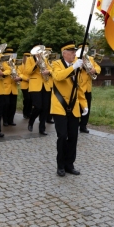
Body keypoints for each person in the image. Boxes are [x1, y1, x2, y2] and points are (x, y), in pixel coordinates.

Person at [50, 40, 87, 177]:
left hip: (74, 107)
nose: (74, 54)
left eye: (74, 52)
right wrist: (73, 68)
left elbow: (80, 87)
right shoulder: (56, 64)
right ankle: (60, 165)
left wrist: (84, 104)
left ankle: (69, 164)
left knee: (73, 137)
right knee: (62, 136)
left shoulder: (76, 65)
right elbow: (58, 77)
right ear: (64, 53)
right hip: (60, 106)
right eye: (71, 52)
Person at [24, 44, 53, 135]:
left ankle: (42, 128)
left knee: (45, 108)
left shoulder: (45, 59)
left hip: (45, 85)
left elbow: (52, 69)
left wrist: (48, 71)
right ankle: (31, 121)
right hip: (35, 86)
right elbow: (27, 71)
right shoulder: (29, 60)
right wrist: (36, 64)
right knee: (38, 106)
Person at [76, 43, 101, 133]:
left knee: (87, 107)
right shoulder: (76, 59)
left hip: (88, 88)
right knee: (78, 107)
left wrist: (95, 70)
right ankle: (76, 123)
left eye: (86, 49)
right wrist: (80, 66)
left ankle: (83, 125)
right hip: (79, 87)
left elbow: (98, 67)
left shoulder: (91, 59)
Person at [19, 52, 32, 119]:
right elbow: (20, 74)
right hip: (24, 84)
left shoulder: (31, 64)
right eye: (26, 56)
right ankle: (25, 112)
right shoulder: (21, 65)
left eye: (29, 56)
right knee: (27, 99)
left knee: (31, 100)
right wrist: (26, 79)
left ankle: (29, 113)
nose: (27, 58)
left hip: (31, 85)